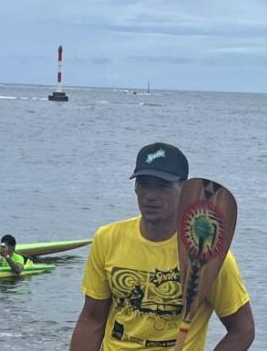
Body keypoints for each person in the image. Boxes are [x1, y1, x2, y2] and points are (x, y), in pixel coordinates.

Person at [70, 143, 255, 351]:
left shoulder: (207, 255)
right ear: (135, 187)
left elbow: (242, 329)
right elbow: (92, 318)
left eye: (162, 186)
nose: (150, 195)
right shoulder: (108, 238)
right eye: (144, 183)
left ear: (184, 191)